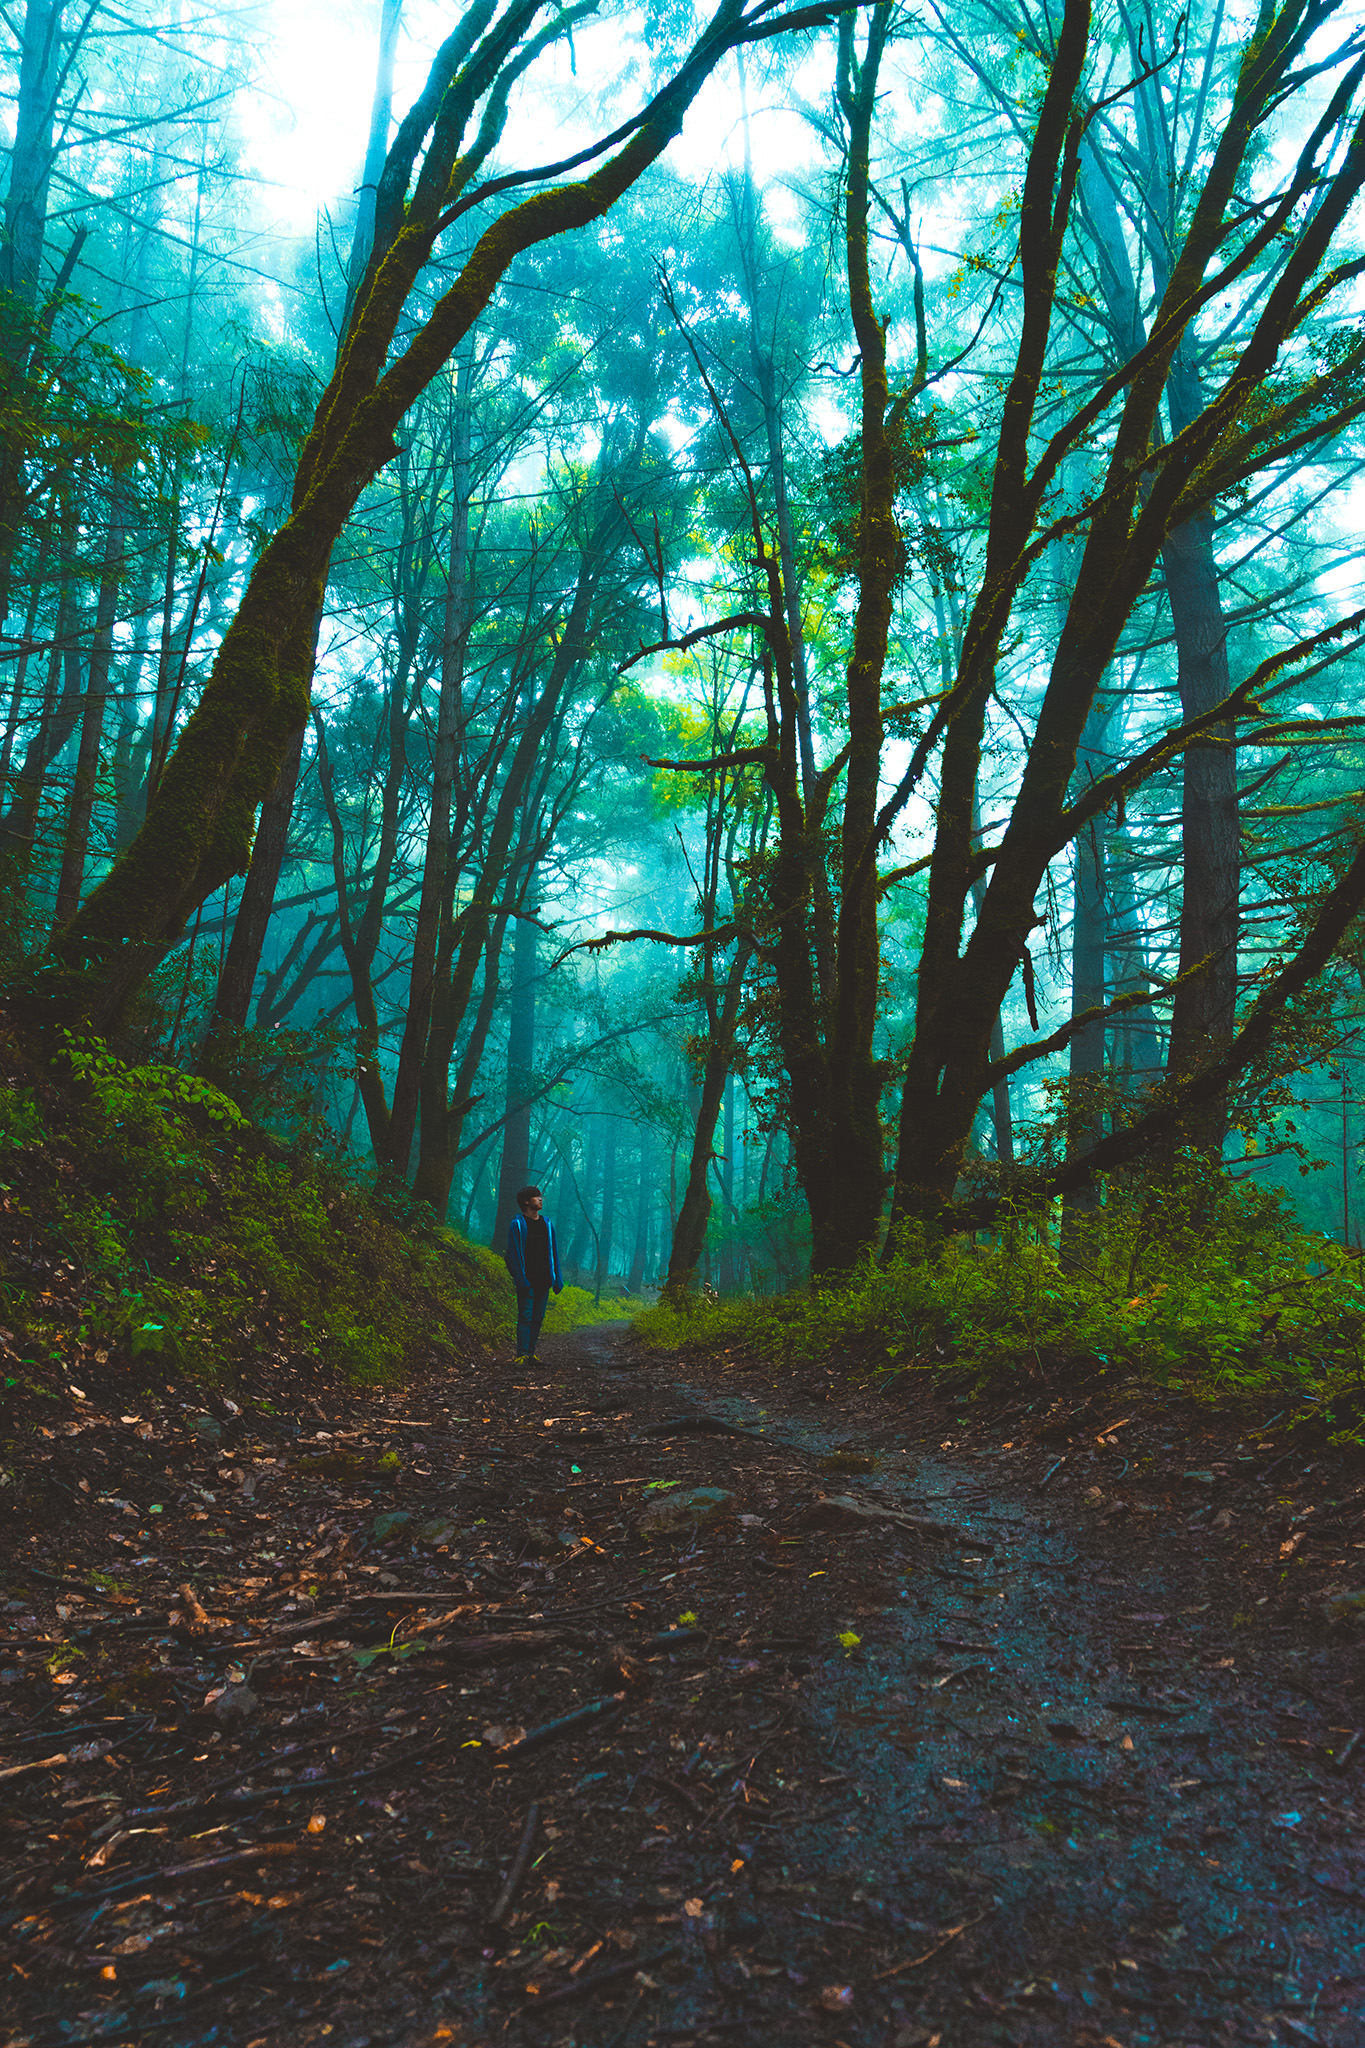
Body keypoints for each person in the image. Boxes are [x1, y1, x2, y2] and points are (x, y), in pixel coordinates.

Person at [504, 1184, 563, 1365]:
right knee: (525, 1317)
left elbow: (554, 1252)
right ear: (526, 1201)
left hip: (544, 1280)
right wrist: (521, 1280)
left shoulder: (547, 1224)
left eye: (540, 1196)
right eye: (536, 1197)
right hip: (526, 1281)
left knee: (538, 1318)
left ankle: (530, 1354)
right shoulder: (518, 1225)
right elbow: (511, 1255)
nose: (540, 1199)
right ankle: (521, 1354)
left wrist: (557, 1278)